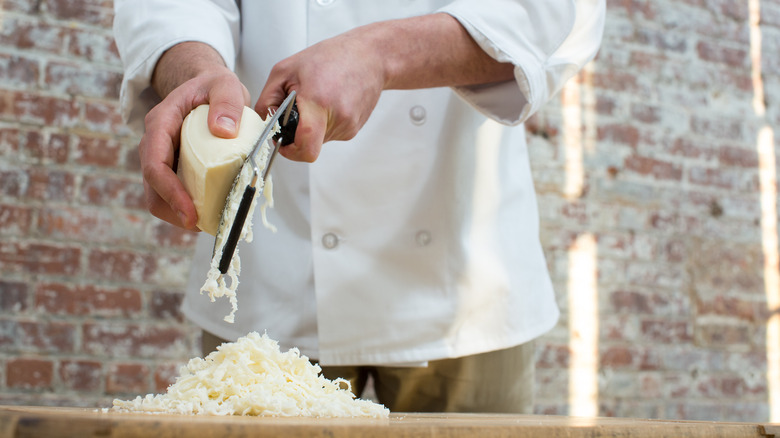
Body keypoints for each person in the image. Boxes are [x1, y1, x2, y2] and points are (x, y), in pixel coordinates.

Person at [113, 1, 605, 413]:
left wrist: (380, 54)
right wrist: (197, 70)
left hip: (464, 283)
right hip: (274, 271)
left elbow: (553, 10)